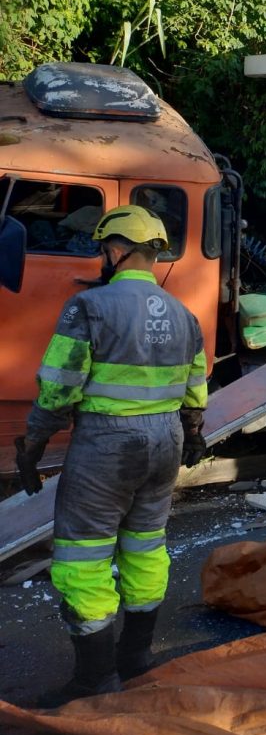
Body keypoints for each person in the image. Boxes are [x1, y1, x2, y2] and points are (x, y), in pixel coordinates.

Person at [12, 204, 209, 706]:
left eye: (104, 249)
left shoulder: (89, 308)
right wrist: (193, 434)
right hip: (165, 442)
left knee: (83, 555)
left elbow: (58, 388)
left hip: (107, 446)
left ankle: (95, 678)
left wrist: (33, 448)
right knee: (145, 546)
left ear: (116, 250)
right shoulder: (186, 317)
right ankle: (136, 656)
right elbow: (195, 389)